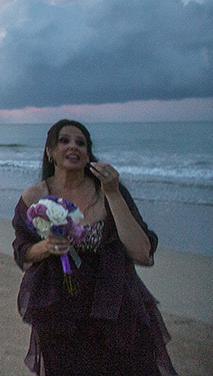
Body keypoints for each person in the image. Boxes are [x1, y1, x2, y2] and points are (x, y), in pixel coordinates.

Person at [13, 119, 177, 376]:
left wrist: (112, 193)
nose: (73, 147)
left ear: (88, 153)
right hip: (60, 314)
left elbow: (142, 253)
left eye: (81, 143)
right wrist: (47, 247)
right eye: (64, 140)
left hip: (114, 308)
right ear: (49, 152)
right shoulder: (34, 197)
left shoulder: (110, 192)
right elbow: (22, 251)